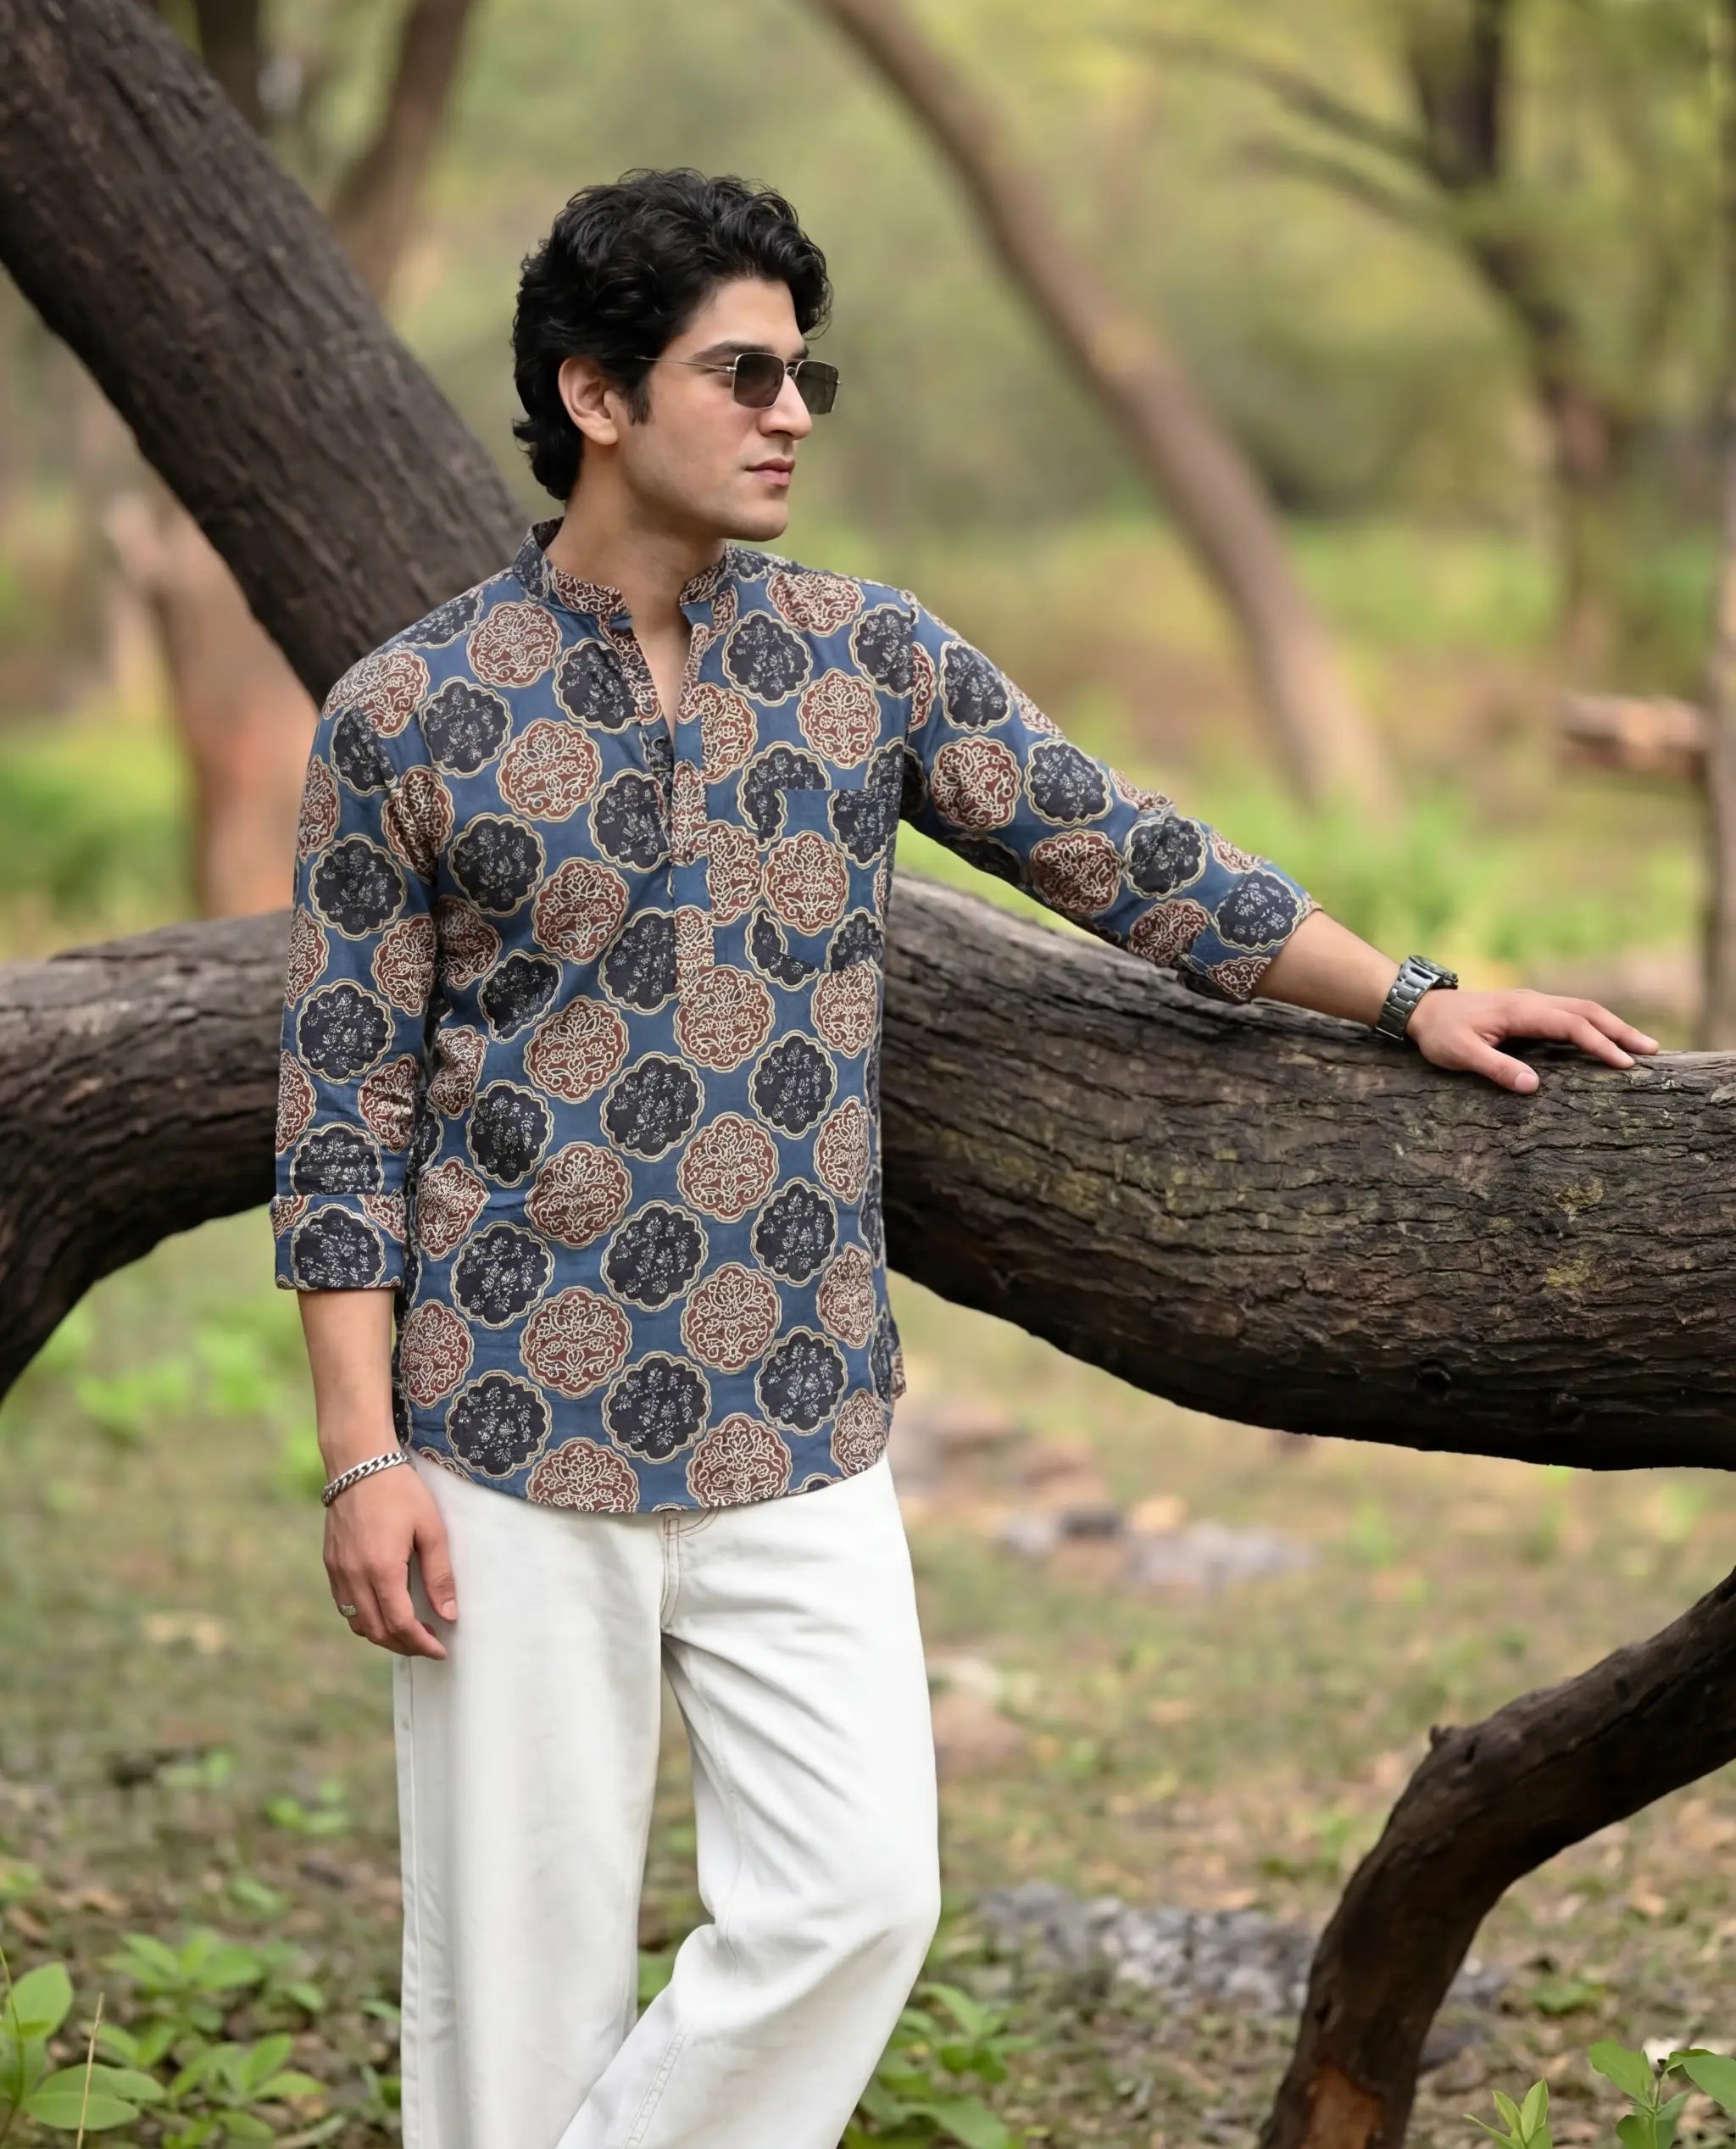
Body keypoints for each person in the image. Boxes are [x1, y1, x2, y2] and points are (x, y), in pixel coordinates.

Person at [271, 167, 1655, 2149]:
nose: (793, 413)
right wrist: (361, 1453)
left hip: (799, 1402)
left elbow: (1125, 852)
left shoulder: (862, 657)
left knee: (855, 1900)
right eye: (743, 373)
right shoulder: (407, 714)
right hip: (503, 1426)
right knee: (512, 1987)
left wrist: (1412, 991)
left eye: (805, 373)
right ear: (595, 393)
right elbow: (343, 1106)